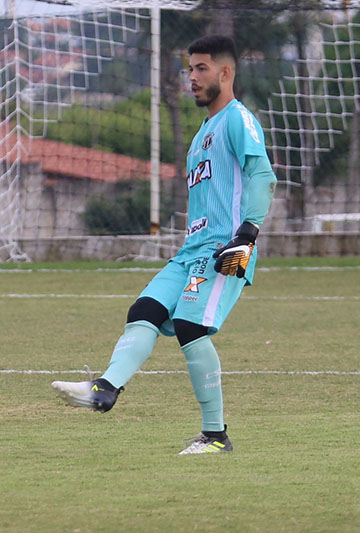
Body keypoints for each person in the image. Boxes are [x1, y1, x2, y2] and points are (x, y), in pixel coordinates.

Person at [51, 35, 277, 455]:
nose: (191, 77)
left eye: (201, 68)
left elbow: (262, 176)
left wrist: (247, 234)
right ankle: (104, 389)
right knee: (144, 311)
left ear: (225, 73)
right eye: (189, 69)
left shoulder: (237, 119)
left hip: (223, 249)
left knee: (191, 328)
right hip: (191, 250)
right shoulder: (202, 133)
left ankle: (215, 437)